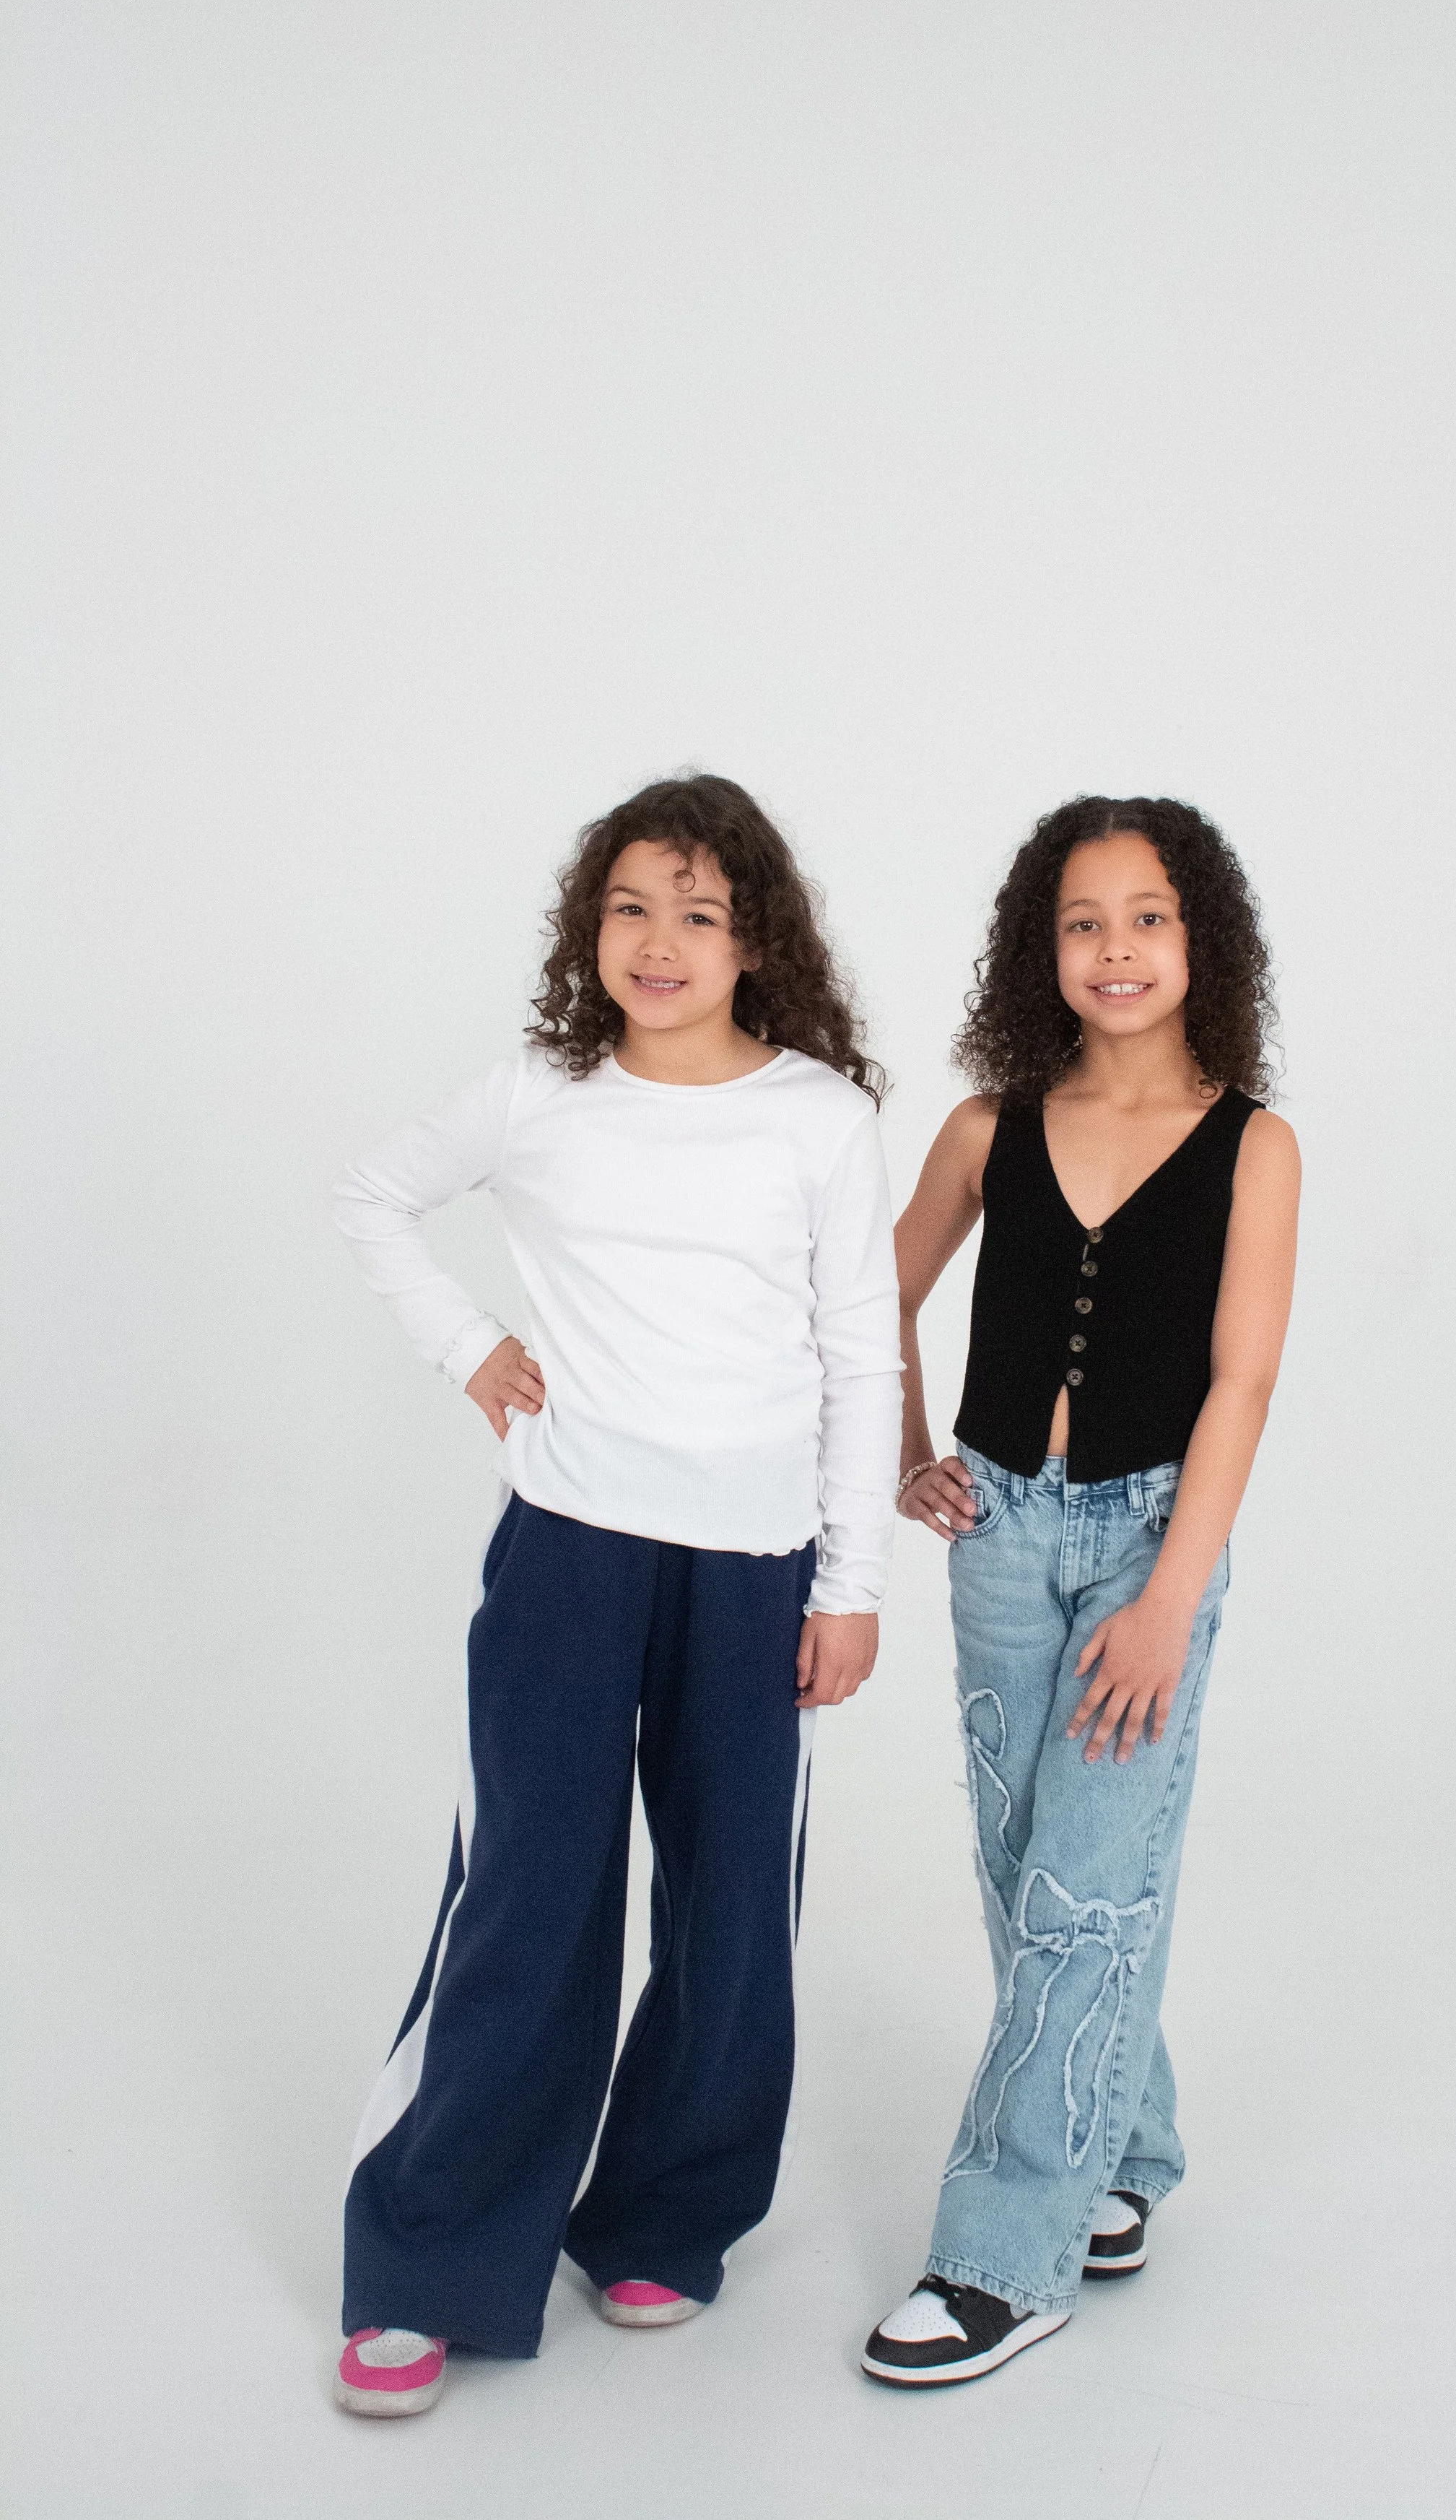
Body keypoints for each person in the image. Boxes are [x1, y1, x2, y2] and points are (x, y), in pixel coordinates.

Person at [328, 775, 900, 2417]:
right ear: (594, 924)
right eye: (632, 905)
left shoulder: (817, 1118)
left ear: (755, 941)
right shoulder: (538, 1096)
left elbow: (863, 1356)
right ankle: (428, 2256)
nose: (659, 941)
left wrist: (848, 1584)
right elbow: (371, 1197)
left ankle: (661, 2214)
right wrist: (469, 1349)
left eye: (700, 913)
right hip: (570, 1549)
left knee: (730, 1909)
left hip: (756, 1564)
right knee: (530, 1895)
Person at [862, 795, 1299, 2386]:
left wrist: (1169, 1599)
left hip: (1144, 1544)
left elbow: (1240, 1384)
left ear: (1201, 944)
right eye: (1082, 922)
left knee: (1081, 1894)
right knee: (1030, 1867)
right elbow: (870, 1297)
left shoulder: (1254, 1143)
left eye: (1146, 918)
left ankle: (1002, 2256)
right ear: (1037, 951)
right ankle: (1125, 2143)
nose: (1115, 950)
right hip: (998, 1534)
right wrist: (906, 1454)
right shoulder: (988, 1124)